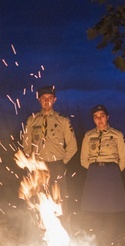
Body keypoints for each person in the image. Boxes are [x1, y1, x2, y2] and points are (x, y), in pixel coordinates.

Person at [21, 85, 78, 220]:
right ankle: (40, 235)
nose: (46, 101)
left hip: (57, 166)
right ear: (39, 100)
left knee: (60, 200)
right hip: (39, 168)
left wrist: (61, 162)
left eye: (50, 98)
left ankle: (64, 233)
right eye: (43, 98)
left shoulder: (63, 120)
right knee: (38, 201)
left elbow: (72, 146)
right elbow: (26, 145)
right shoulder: (32, 120)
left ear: (55, 100)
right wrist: (33, 163)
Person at [80, 104, 125, 246]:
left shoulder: (117, 135)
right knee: (95, 211)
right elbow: (83, 159)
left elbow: (123, 159)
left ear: (107, 117)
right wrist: (96, 170)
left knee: (111, 211)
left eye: (102, 116)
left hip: (111, 173)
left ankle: (108, 243)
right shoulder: (88, 136)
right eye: (96, 117)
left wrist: (111, 170)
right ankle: (99, 243)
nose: (99, 119)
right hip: (94, 173)